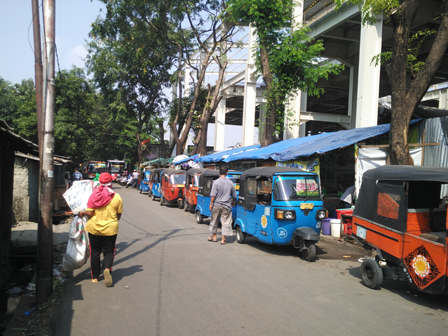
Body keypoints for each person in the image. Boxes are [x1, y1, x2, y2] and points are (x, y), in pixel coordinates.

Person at [79, 172, 123, 286]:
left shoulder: (94, 195)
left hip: (95, 229)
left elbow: (90, 213)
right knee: (109, 252)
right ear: (111, 183)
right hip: (111, 229)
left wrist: (83, 212)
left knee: (95, 252)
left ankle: (95, 277)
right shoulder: (117, 196)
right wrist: (113, 222)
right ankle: (107, 268)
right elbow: (119, 214)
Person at [208, 166, 237, 245]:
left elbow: (213, 195)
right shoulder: (230, 183)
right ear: (227, 173)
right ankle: (223, 240)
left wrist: (211, 204)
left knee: (214, 220)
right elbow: (234, 195)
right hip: (226, 206)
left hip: (217, 204)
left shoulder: (216, 182)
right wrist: (233, 202)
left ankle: (214, 237)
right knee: (225, 222)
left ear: (219, 173)